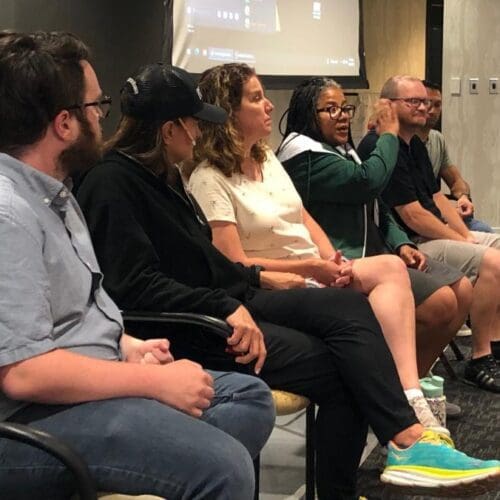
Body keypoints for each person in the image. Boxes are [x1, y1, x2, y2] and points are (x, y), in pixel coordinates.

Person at [75, 61, 500, 498]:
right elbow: (133, 286)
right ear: (168, 131)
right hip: (194, 322)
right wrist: (232, 303)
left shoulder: (160, 177)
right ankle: (403, 442)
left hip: (229, 298)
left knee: (350, 313)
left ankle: (404, 439)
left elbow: (209, 262)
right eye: (193, 125)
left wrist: (259, 277)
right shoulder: (115, 183)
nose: (200, 135)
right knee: (343, 363)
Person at [0, 32, 276, 500]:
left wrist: (127, 345)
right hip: (27, 420)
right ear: (64, 123)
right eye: (96, 107)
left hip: (83, 381)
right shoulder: (10, 214)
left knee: (247, 398)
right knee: (223, 466)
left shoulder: (56, 194)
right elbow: (23, 372)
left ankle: (169, 464)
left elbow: (75, 310)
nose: (102, 118)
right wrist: (151, 381)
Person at [189, 64, 469, 432]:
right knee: (375, 307)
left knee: (390, 268)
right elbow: (234, 263)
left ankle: (408, 393)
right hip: (274, 282)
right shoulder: (210, 177)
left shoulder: (265, 157)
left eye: (345, 109)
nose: (270, 106)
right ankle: (400, 411)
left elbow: (302, 215)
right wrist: (310, 268)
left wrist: (328, 257)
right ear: (228, 111)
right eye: (257, 99)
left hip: (312, 268)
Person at [274, 76, 473, 419]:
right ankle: (394, 401)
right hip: (343, 263)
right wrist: (389, 135)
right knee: (440, 304)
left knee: (463, 289)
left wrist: (401, 243)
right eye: (330, 109)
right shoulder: (303, 156)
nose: (342, 116)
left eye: (345, 108)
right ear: (308, 113)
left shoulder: (340, 148)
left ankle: (401, 391)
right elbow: (368, 183)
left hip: (380, 253)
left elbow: (377, 206)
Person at [358, 75, 500, 392]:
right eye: (415, 102)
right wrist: (463, 241)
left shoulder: (416, 145)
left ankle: (494, 342)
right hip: (413, 242)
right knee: (492, 262)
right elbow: (413, 215)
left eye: (426, 101)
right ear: (389, 105)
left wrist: (465, 235)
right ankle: (480, 358)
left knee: (494, 247)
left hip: (434, 235)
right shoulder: (379, 145)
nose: (425, 107)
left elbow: (436, 198)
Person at [417, 80, 493, 233]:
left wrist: (463, 198)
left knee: (483, 229)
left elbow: (456, 180)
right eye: (427, 103)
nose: (432, 111)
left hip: (441, 214)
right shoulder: (404, 142)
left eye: (437, 105)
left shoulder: (437, 139)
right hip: (422, 220)